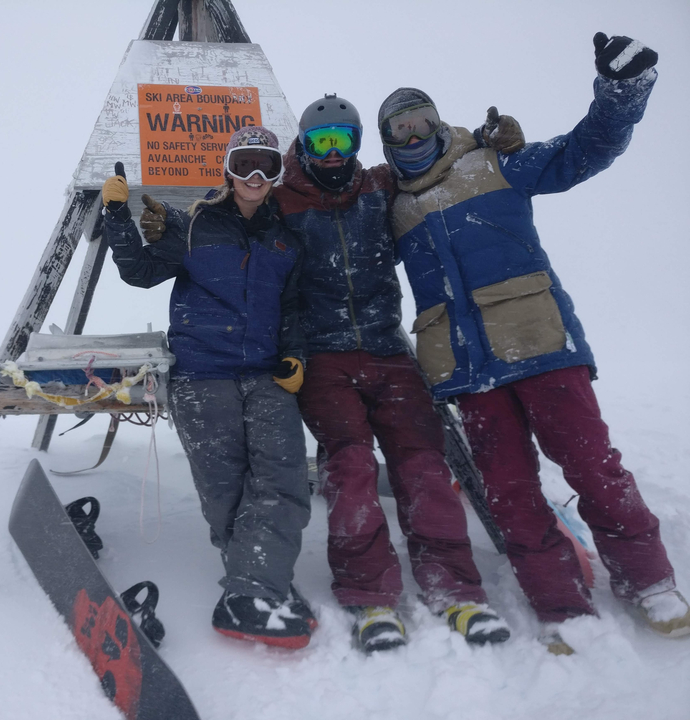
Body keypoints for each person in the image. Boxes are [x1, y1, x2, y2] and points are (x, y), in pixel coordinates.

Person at [378, 32, 690, 654]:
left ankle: (648, 580)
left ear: (439, 123)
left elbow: (584, 151)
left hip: (542, 349)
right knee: (509, 491)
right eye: (399, 129)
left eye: (421, 122)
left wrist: (620, 92)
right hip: (470, 372)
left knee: (594, 468)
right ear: (388, 141)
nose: (413, 137)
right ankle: (558, 600)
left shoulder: (496, 163)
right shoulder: (391, 207)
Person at [268, 95, 516, 653]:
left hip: (387, 350)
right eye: (320, 142)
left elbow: (433, 162)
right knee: (351, 465)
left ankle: (454, 588)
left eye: (343, 140)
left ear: (358, 144)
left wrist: (482, 143)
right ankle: (371, 597)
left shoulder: (379, 187)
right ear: (303, 146)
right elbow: (247, 229)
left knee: (423, 463)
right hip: (326, 358)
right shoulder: (283, 200)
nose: (332, 154)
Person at [101, 126, 315, 649]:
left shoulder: (286, 235)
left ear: (277, 173)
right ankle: (257, 585)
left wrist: (295, 353)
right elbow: (139, 271)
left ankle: (252, 587)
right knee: (225, 488)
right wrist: (117, 217)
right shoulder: (196, 225)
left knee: (284, 479)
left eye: (266, 165)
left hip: (265, 373)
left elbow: (293, 306)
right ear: (228, 170)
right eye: (244, 165)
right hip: (202, 374)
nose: (255, 177)